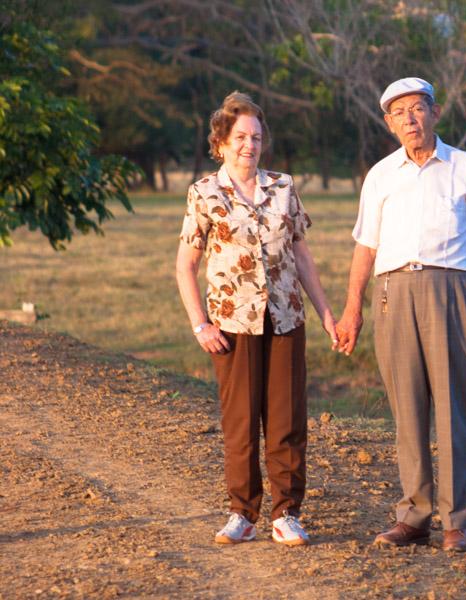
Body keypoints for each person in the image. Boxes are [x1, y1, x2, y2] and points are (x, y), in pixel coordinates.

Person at [335, 77, 466, 552]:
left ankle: (457, 521)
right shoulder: (380, 175)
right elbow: (365, 247)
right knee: (407, 408)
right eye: (399, 113)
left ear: (435, 112)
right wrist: (353, 310)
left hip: (451, 289)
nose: (410, 119)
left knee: (453, 406)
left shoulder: (464, 167)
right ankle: (413, 516)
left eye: (417, 109)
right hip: (392, 292)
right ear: (389, 124)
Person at [175, 91, 337, 546]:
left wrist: (325, 312)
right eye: (241, 136)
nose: (251, 144)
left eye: (257, 137)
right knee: (242, 422)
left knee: (286, 422)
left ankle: (286, 514)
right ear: (221, 141)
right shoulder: (204, 193)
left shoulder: (283, 187)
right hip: (231, 324)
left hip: (286, 319)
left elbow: (302, 256)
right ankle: (242, 513)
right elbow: (185, 264)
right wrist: (200, 324)